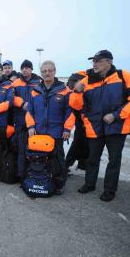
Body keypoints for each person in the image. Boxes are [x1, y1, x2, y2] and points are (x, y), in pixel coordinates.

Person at [69, 50, 130, 201]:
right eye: (93, 61)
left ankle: (109, 190)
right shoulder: (86, 80)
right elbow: (75, 105)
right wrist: (77, 92)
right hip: (94, 127)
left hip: (117, 127)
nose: (94, 64)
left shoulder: (124, 76)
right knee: (92, 159)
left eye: (98, 61)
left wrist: (115, 115)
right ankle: (89, 184)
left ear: (109, 62)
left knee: (114, 160)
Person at [26, 60, 75, 195]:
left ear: (54, 71)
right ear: (41, 73)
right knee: (40, 159)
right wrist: (30, 126)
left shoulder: (65, 91)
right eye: (44, 71)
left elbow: (70, 112)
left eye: (50, 70)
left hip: (56, 132)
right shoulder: (35, 91)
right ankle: (42, 181)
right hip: (39, 132)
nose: (47, 73)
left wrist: (67, 129)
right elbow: (29, 111)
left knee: (58, 160)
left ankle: (59, 184)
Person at [12, 59, 41, 179]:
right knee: (21, 148)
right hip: (20, 119)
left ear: (31, 69)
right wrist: (22, 103)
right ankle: (21, 174)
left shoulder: (39, 81)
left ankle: (34, 172)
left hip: (35, 120)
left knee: (34, 147)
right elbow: (12, 97)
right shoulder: (16, 82)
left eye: (27, 68)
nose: (24, 70)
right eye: (22, 68)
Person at [65, 72, 89, 173]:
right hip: (83, 117)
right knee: (79, 142)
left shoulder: (80, 76)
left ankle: (80, 165)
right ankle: (67, 164)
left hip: (82, 118)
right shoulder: (85, 78)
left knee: (82, 142)